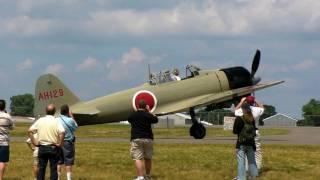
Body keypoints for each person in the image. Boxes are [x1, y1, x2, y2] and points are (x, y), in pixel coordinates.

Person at [28, 104, 65, 180]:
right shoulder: (56, 121)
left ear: (46, 111)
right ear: (54, 112)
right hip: (53, 147)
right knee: (54, 169)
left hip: (42, 147)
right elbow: (62, 132)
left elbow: (30, 130)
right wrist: (60, 144)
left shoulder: (40, 120)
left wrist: (34, 142)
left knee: (41, 168)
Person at [128, 100, 158, 180]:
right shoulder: (148, 115)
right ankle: (148, 176)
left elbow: (129, 119)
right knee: (148, 158)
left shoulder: (133, 115)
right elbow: (156, 120)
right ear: (145, 107)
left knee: (137, 158)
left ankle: (140, 177)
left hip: (136, 138)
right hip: (148, 138)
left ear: (138, 106)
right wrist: (149, 111)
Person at [235, 96, 264, 171]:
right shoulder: (257, 110)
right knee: (257, 151)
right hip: (254, 131)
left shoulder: (242, 110)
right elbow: (262, 108)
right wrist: (256, 100)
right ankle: (257, 168)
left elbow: (235, 110)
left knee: (244, 151)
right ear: (253, 102)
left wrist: (241, 101)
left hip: (244, 132)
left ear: (246, 102)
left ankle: (246, 169)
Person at [233, 102, 258, 180]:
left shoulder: (239, 119)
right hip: (251, 143)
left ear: (242, 109)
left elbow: (235, 131)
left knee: (241, 162)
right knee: (252, 162)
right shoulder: (252, 119)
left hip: (241, 144)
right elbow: (254, 131)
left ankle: (241, 178)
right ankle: (253, 177)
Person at [57, 105, 78, 180]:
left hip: (58, 142)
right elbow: (76, 127)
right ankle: (68, 179)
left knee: (58, 162)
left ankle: (58, 178)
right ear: (67, 112)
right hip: (68, 143)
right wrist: (72, 116)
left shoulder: (56, 120)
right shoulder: (70, 120)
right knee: (68, 161)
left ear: (60, 111)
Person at [0, 100, 14, 180]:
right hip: (4, 142)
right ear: (4, 107)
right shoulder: (7, 116)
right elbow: (12, 127)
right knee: (2, 161)